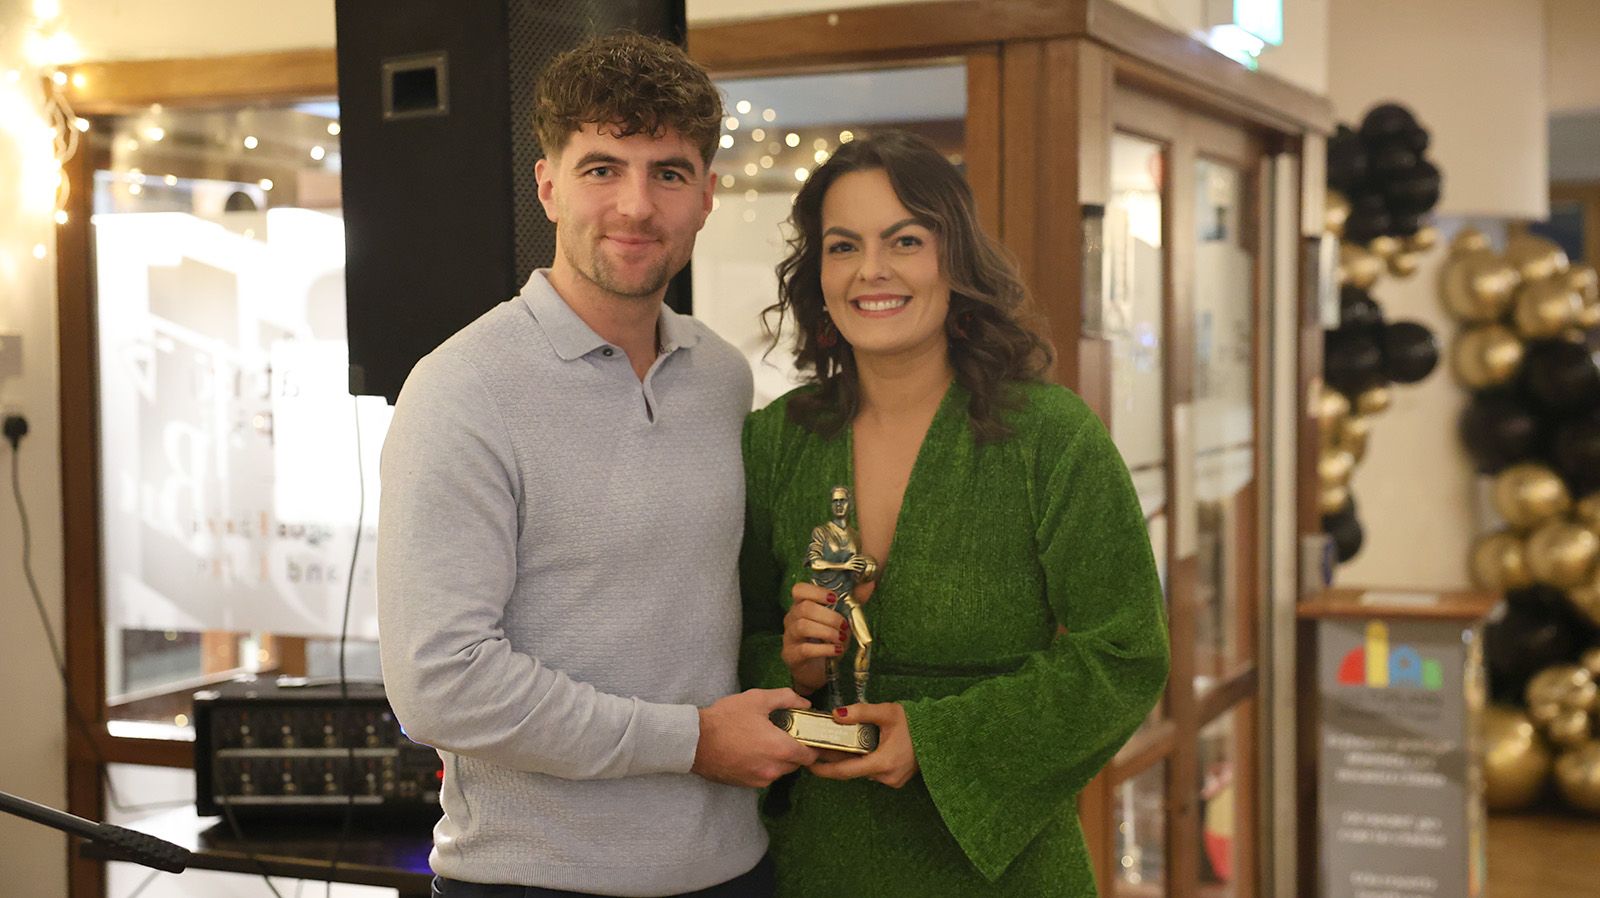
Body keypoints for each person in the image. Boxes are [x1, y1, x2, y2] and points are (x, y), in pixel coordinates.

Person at [378, 33, 817, 898]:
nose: (635, 206)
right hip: (531, 882)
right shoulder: (460, 389)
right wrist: (692, 740)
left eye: (668, 172)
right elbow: (440, 685)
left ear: (707, 198)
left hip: (733, 872)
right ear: (548, 185)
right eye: (601, 169)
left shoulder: (724, 377)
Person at [738, 130, 1170, 896]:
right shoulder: (774, 443)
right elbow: (724, 648)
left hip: (1001, 870)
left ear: (954, 259)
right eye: (843, 247)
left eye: (904, 239)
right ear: (819, 276)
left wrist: (936, 743)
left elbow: (1126, 653)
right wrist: (797, 670)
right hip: (817, 862)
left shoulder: (1050, 437)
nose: (872, 270)